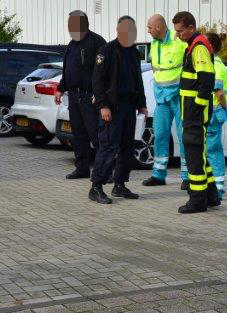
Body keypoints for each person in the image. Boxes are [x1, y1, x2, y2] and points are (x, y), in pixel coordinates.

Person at [89, 16, 149, 204]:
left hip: (129, 107)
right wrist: (103, 106)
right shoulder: (106, 51)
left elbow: (137, 79)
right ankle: (96, 187)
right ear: (117, 30)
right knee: (108, 147)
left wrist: (142, 104)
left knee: (126, 148)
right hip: (112, 108)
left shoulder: (133, 52)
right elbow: (97, 81)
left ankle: (120, 184)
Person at [171, 11, 219, 214]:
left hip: (195, 112)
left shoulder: (198, 47)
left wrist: (197, 108)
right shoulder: (193, 46)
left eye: (180, 31)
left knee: (194, 155)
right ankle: (211, 196)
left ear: (191, 28)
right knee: (200, 155)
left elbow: (206, 79)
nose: (178, 35)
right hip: (193, 110)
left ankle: (197, 201)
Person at [141, 14, 188, 188]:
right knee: (160, 135)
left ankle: (188, 176)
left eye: (149, 27)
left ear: (159, 27)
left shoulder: (179, 41)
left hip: (179, 96)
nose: (148, 30)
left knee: (185, 137)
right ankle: (158, 174)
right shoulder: (154, 44)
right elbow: (156, 69)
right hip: (161, 98)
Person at [60, 10, 107, 179]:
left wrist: (98, 93)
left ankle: (104, 171)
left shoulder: (97, 42)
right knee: (78, 135)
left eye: (71, 24)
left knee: (96, 135)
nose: (68, 27)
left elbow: (103, 71)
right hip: (74, 96)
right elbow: (67, 70)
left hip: (90, 97)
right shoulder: (72, 44)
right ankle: (82, 168)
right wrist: (61, 88)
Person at [204, 31, 227, 199]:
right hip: (212, 112)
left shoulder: (216, 65)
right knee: (211, 150)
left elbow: (219, 93)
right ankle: (214, 187)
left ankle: (218, 188)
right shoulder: (214, 63)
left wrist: (225, 108)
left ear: (211, 46)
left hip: (214, 112)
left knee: (212, 151)